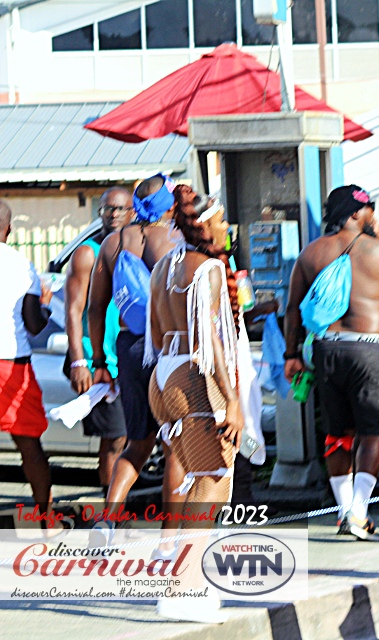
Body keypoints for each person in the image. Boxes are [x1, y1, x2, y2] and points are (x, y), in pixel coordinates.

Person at [146, 186, 242, 623]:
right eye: (222, 222)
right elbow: (212, 345)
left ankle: (177, 577)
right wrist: (234, 401)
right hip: (192, 377)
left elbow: (153, 330)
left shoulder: (164, 265)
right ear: (204, 225)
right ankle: (182, 586)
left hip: (161, 375)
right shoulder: (208, 271)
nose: (228, 230)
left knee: (190, 482)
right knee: (215, 480)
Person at [284, 185, 379, 541]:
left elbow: (291, 309)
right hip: (370, 350)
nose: (372, 217)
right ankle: (359, 513)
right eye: (368, 211)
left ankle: (343, 510)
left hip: (325, 349)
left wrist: (291, 355)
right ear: (354, 214)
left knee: (337, 432)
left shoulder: (311, 253)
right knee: (372, 432)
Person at [88, 174, 185, 548]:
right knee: (174, 446)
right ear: (168, 206)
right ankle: (167, 541)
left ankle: (108, 520)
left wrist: (99, 360)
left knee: (137, 443)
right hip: (170, 348)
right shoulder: (177, 241)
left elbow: (96, 309)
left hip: (129, 349)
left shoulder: (112, 244)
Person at [64, 187, 134, 496]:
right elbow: (74, 309)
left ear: (133, 212)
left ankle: (117, 508)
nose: (115, 214)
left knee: (132, 437)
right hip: (97, 360)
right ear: (100, 213)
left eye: (121, 209)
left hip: (130, 357)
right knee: (115, 437)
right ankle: (110, 516)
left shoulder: (135, 250)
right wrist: (79, 360)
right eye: (108, 209)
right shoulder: (87, 253)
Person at [0, 200, 56, 532]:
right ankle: (46, 521)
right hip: (12, 363)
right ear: (8, 228)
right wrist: (46, 309)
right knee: (30, 447)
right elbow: (34, 325)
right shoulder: (22, 265)